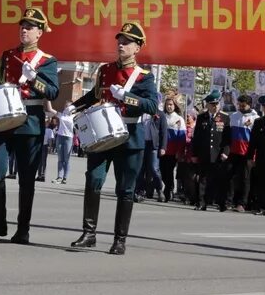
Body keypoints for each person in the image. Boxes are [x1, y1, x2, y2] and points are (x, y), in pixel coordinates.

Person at [69, 22, 159, 255]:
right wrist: (73, 106)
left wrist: (127, 97)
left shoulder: (144, 77)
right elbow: (94, 94)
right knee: (93, 180)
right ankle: (89, 234)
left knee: (125, 190)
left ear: (137, 47)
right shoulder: (106, 70)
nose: (121, 44)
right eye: (120, 40)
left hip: (130, 137)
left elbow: (151, 106)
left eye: (127, 42)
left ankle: (120, 240)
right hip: (103, 134)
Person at [0, 7, 59, 244]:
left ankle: (22, 228)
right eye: (22, 26)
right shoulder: (8, 55)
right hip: (4, 119)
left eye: (30, 27)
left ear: (40, 33)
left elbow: (53, 91)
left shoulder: (47, 61)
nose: (24, 30)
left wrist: (35, 79)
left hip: (29, 121)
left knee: (25, 179)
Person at [190, 90, 228, 210]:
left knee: (219, 179)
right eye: (212, 104)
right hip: (204, 153)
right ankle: (201, 202)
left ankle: (221, 203)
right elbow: (197, 137)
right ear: (208, 105)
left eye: (217, 104)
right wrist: (194, 154)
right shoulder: (202, 117)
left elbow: (227, 138)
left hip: (218, 154)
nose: (215, 106)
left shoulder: (225, 117)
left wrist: (225, 152)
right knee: (203, 179)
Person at [226, 94, 257, 211]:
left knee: (245, 178)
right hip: (234, 151)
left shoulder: (255, 118)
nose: (240, 107)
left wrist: (254, 155)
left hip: (247, 153)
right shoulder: (233, 116)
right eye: (239, 104)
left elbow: (255, 138)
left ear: (249, 105)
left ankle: (242, 203)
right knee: (230, 176)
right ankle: (229, 201)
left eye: (243, 105)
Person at [159, 96, 186, 202]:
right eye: (167, 105)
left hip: (173, 151)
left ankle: (168, 191)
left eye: (171, 105)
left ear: (175, 106)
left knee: (169, 171)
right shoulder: (162, 117)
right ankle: (167, 188)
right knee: (162, 171)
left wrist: (179, 151)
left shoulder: (179, 119)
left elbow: (182, 137)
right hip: (162, 149)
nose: (169, 107)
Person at [53, 104, 75, 184]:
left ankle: (65, 178)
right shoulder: (61, 115)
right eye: (66, 106)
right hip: (60, 136)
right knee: (60, 159)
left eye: (68, 106)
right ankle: (59, 177)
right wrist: (47, 99)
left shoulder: (74, 117)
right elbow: (50, 109)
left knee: (66, 159)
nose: (67, 107)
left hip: (69, 138)